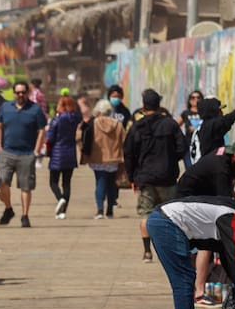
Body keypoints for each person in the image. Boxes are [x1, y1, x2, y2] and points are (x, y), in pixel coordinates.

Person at [176, 138, 235, 305]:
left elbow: (229, 192)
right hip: (188, 200)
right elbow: (228, 201)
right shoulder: (221, 168)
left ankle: (200, 286)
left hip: (199, 197)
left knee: (208, 243)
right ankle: (198, 292)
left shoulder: (229, 158)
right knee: (206, 244)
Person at [123, 89, 185, 262]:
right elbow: (182, 148)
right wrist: (170, 160)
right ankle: (171, 250)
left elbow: (128, 153)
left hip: (145, 178)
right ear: (159, 105)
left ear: (143, 106)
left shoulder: (137, 126)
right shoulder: (170, 124)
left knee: (146, 215)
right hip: (168, 177)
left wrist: (131, 177)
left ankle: (147, 252)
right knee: (171, 214)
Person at [0, 81, 47, 227]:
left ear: (27, 93)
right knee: (3, 182)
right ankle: (8, 208)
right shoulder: (6, 107)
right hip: (7, 151)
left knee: (26, 186)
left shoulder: (35, 109)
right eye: (18, 92)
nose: (20, 95)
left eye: (23, 92)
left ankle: (25, 215)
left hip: (26, 153)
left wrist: (37, 150)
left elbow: (42, 130)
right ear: (13, 93)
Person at [190, 85, 235, 164]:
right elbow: (232, 116)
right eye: (219, 110)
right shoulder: (211, 126)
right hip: (206, 172)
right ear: (212, 112)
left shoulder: (205, 126)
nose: (222, 113)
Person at [81, 99, 126, 218]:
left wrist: (85, 155)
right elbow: (124, 141)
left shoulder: (93, 123)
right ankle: (110, 210)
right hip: (114, 158)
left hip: (98, 158)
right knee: (111, 184)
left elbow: (86, 139)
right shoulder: (118, 124)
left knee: (100, 182)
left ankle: (100, 210)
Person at [44, 94, 81, 219]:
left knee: (53, 182)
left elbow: (50, 137)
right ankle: (63, 212)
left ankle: (60, 199)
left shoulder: (57, 119)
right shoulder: (75, 118)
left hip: (57, 153)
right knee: (67, 183)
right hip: (70, 152)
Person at [178, 90, 204, 170]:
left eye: (198, 97)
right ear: (189, 100)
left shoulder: (205, 113)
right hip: (189, 146)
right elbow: (175, 126)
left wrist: (197, 128)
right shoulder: (186, 113)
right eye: (193, 97)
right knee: (190, 170)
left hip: (202, 146)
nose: (195, 99)